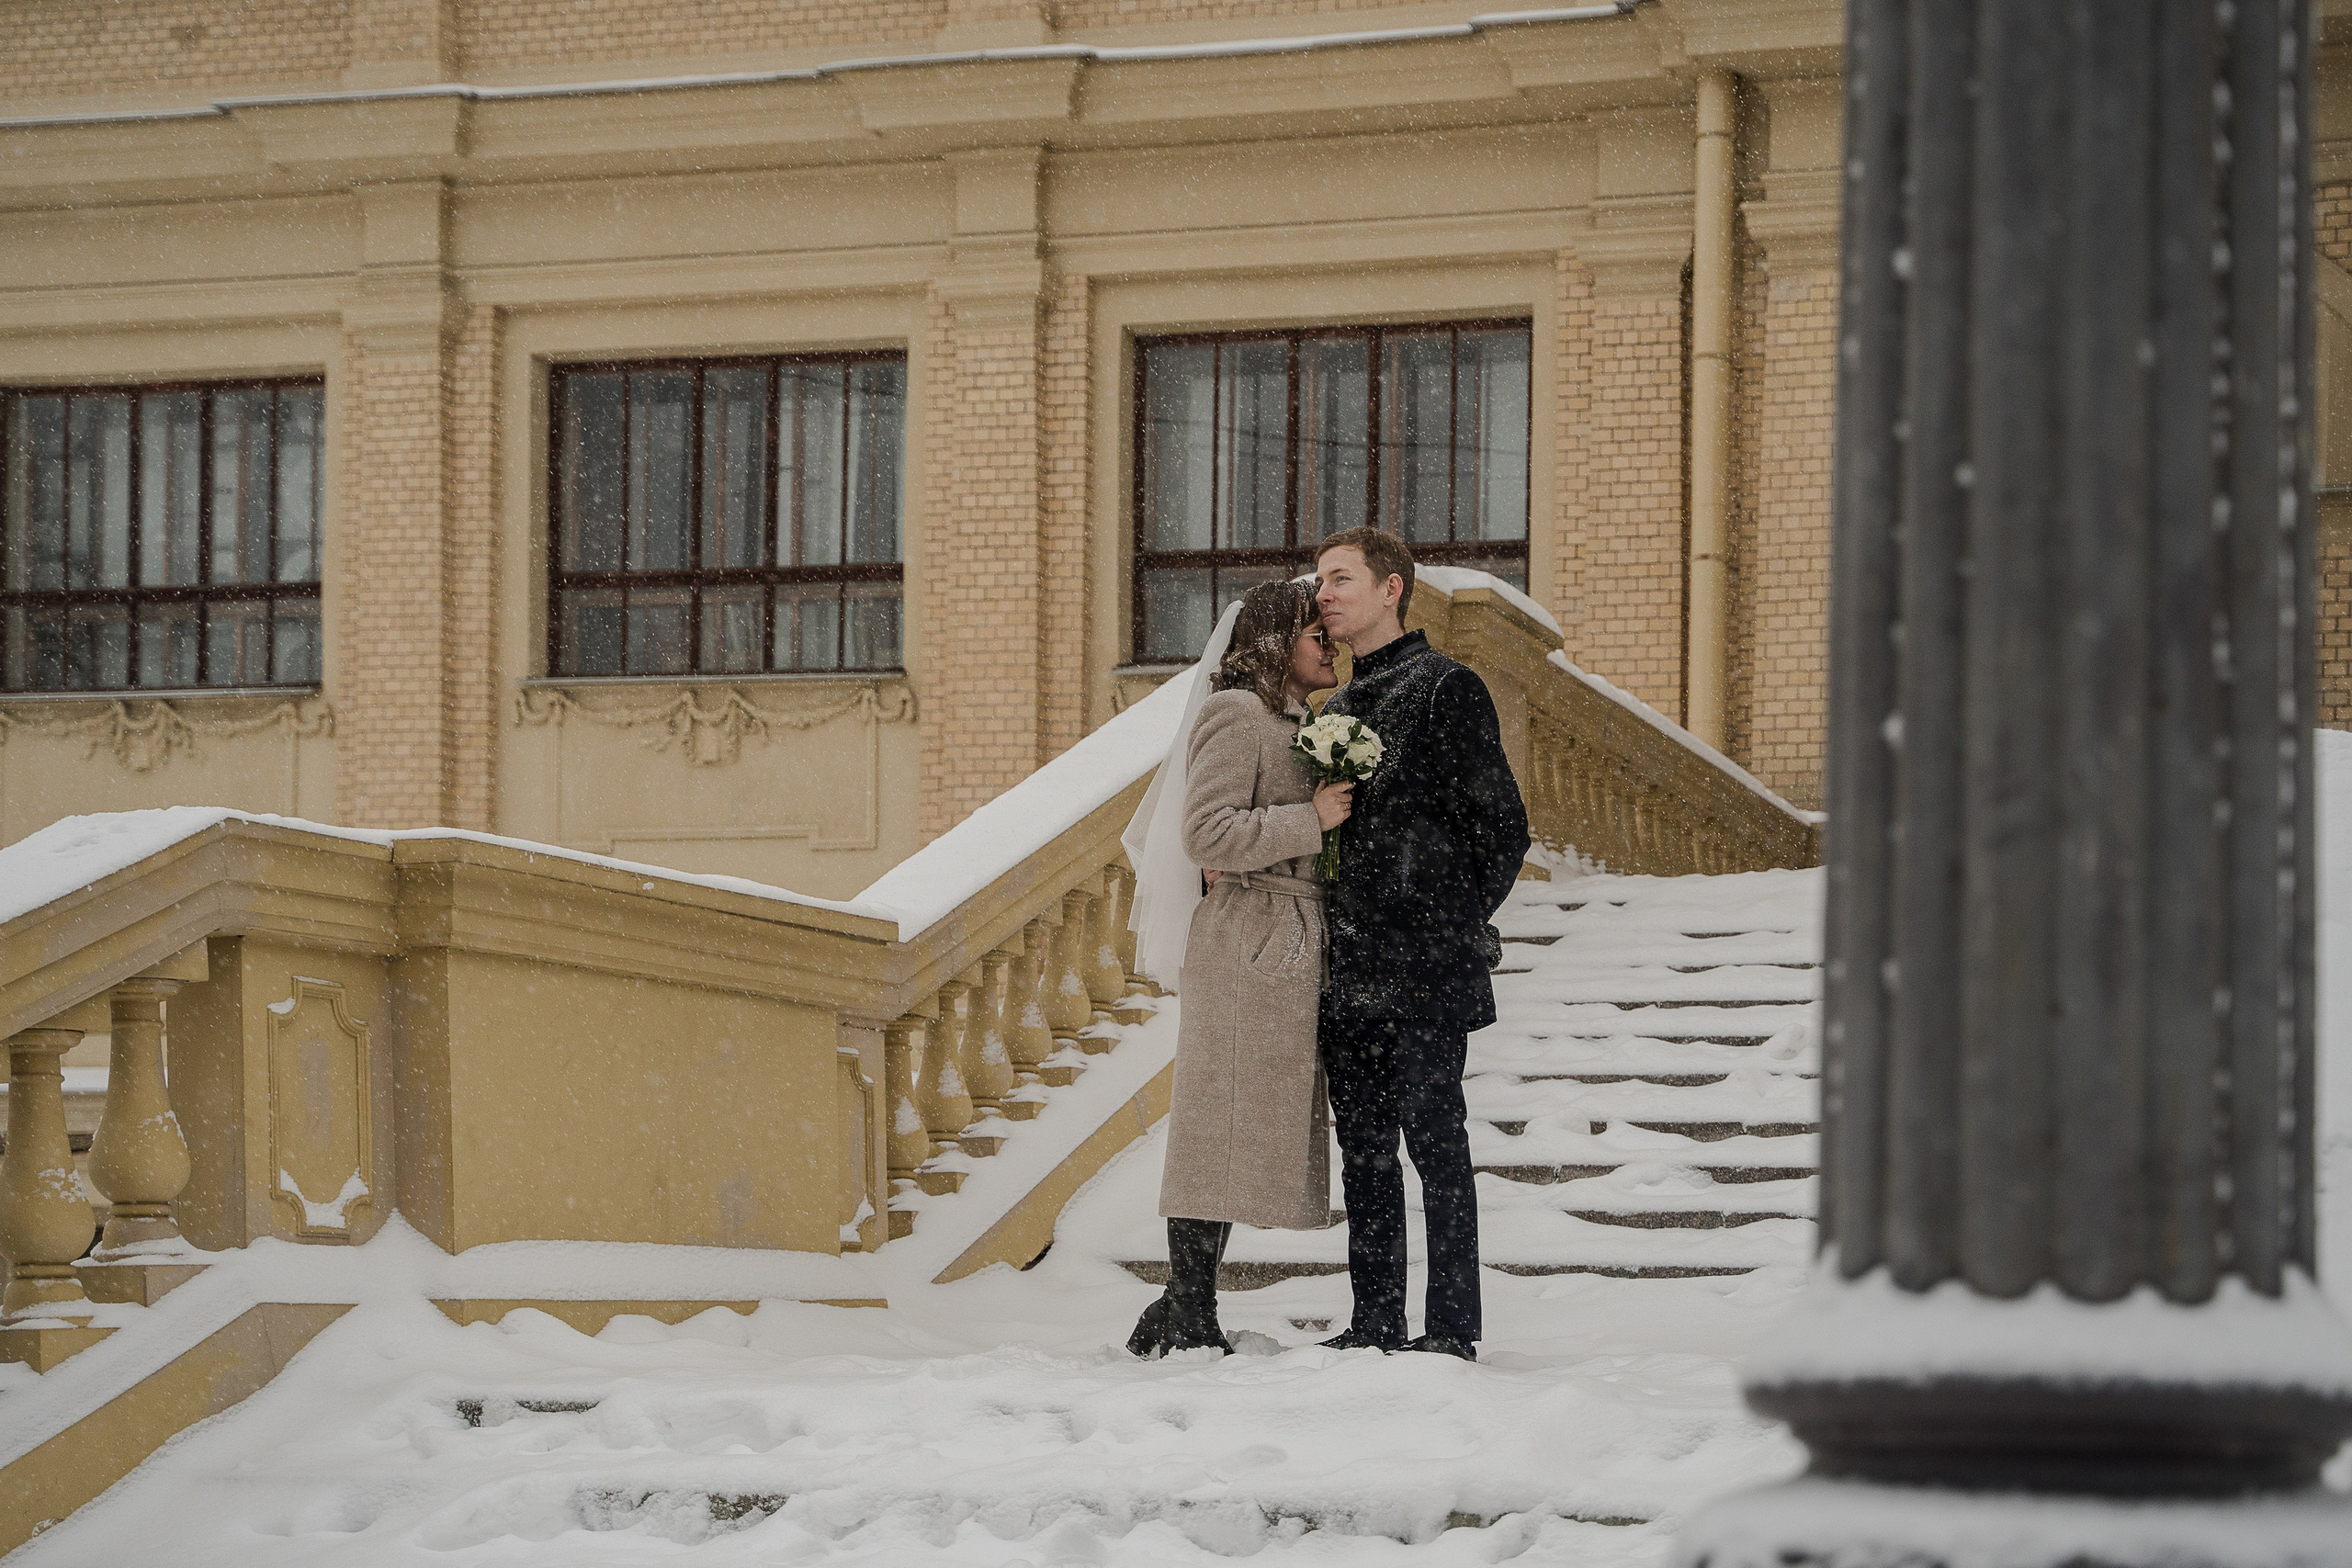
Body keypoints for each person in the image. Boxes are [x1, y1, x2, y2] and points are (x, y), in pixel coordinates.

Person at [1312, 526, 1530, 1361]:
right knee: (1363, 1151)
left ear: (1391, 587)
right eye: (1319, 581)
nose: (1324, 593)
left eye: (1340, 578)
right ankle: (1374, 1319)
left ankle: (1450, 1327)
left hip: (1426, 967)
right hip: (1349, 967)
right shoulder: (1334, 709)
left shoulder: (1447, 688)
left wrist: (1446, 922)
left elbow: (1502, 827)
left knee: (1438, 1144)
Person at [1122, 579, 1354, 1358]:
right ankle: (1190, 1306)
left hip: (1282, 935)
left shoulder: (1296, 721)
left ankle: (1181, 1301)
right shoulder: (1236, 712)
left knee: (1236, 1124)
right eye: (1317, 635)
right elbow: (1206, 834)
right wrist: (1311, 819)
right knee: (1216, 1121)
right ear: (1276, 642)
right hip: (1248, 936)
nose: (1331, 647)